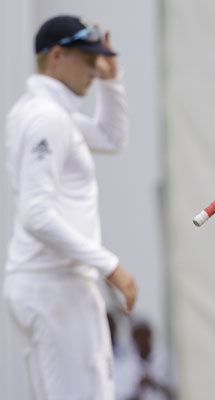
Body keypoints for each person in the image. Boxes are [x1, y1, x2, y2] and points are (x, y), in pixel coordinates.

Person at [2, 15, 137, 399]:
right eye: (87, 57)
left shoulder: (52, 114)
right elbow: (36, 214)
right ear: (57, 56)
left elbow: (112, 137)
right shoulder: (46, 118)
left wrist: (112, 82)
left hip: (62, 284)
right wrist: (110, 266)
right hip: (51, 285)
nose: (95, 68)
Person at [115, 320, 176, 400]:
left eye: (144, 336)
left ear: (150, 336)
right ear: (133, 339)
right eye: (138, 337)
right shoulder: (125, 363)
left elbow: (175, 392)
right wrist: (139, 388)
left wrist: (155, 383)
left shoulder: (166, 358)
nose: (142, 341)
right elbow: (121, 396)